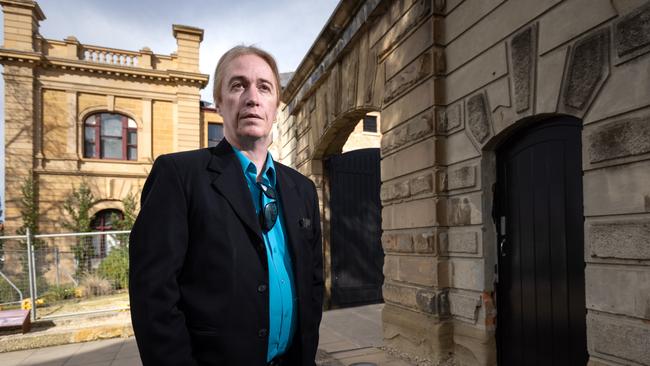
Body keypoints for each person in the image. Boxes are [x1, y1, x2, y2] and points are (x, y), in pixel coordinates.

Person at [129, 45, 324, 366]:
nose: (252, 97)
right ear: (219, 102)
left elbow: (313, 280)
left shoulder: (301, 188)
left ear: (276, 106)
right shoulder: (179, 176)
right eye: (238, 85)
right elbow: (154, 297)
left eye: (264, 87)